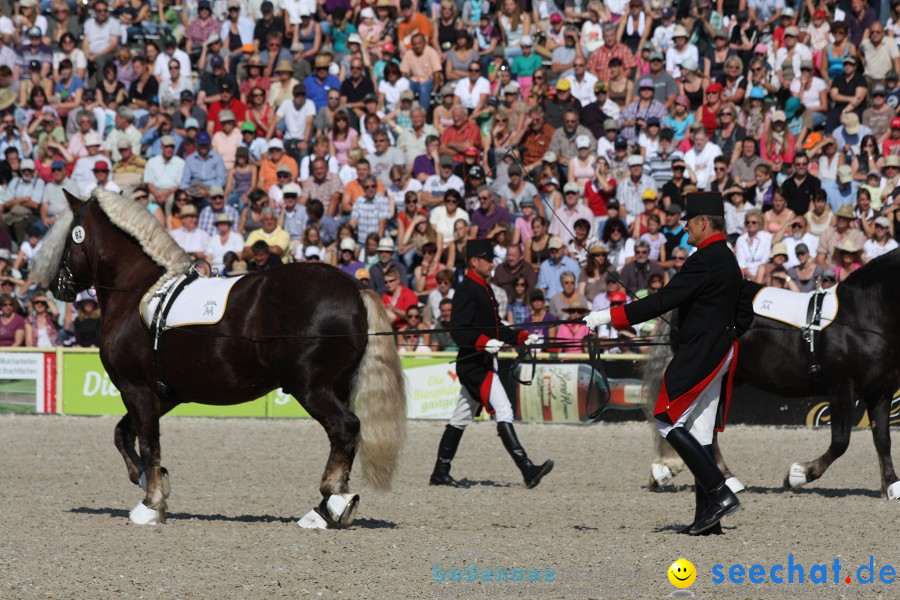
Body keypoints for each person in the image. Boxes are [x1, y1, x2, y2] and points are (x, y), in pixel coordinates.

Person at [584, 192, 752, 535]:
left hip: (702, 352)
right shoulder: (728, 259)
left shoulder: (703, 259)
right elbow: (744, 313)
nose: (685, 227)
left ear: (704, 223)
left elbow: (661, 301)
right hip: (722, 351)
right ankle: (709, 520)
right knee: (700, 433)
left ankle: (720, 494)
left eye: (689, 222)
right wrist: (719, 332)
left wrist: (605, 317)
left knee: (666, 418)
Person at [429, 239, 552, 489]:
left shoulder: (484, 288)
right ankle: (527, 469)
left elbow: (496, 327)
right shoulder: (467, 289)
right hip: (475, 365)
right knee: (504, 410)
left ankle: (440, 472)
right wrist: (484, 343)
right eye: (488, 259)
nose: (492, 263)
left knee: (460, 418)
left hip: (480, 362)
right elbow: (459, 331)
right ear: (474, 262)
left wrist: (522, 337)